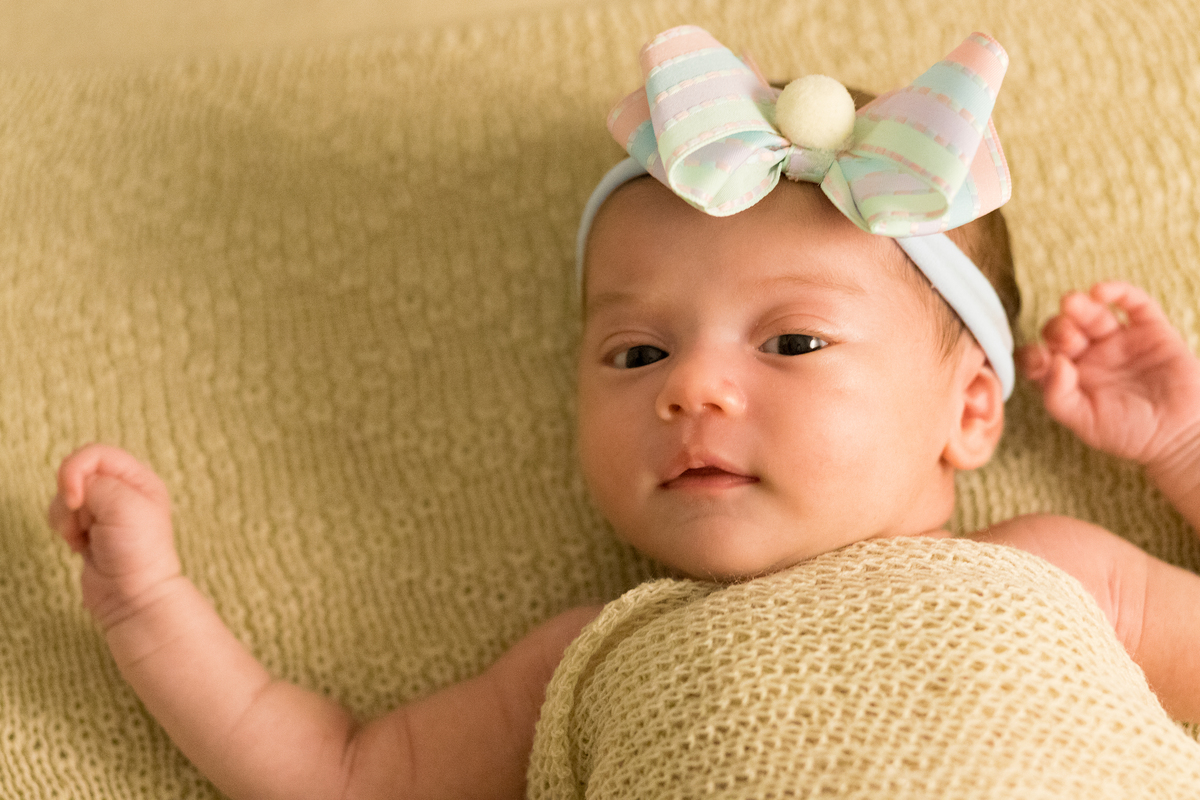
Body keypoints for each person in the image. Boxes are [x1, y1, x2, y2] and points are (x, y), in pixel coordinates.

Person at [47, 25, 1200, 800]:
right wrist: (147, 602)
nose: (690, 387)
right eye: (637, 351)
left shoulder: (1058, 572)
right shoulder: (592, 657)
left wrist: (1186, 447)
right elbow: (341, 774)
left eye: (794, 341)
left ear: (973, 408)